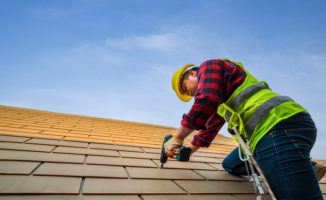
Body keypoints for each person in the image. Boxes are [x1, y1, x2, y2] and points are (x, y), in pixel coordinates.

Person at [165, 58, 325, 200]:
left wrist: (177, 137)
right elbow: (209, 129)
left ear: (193, 74)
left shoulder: (210, 66)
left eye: (186, 89)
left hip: (275, 126)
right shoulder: (222, 100)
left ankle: (288, 173)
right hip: (272, 132)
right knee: (231, 164)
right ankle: (302, 168)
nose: (191, 94)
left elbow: (205, 99)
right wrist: (187, 151)